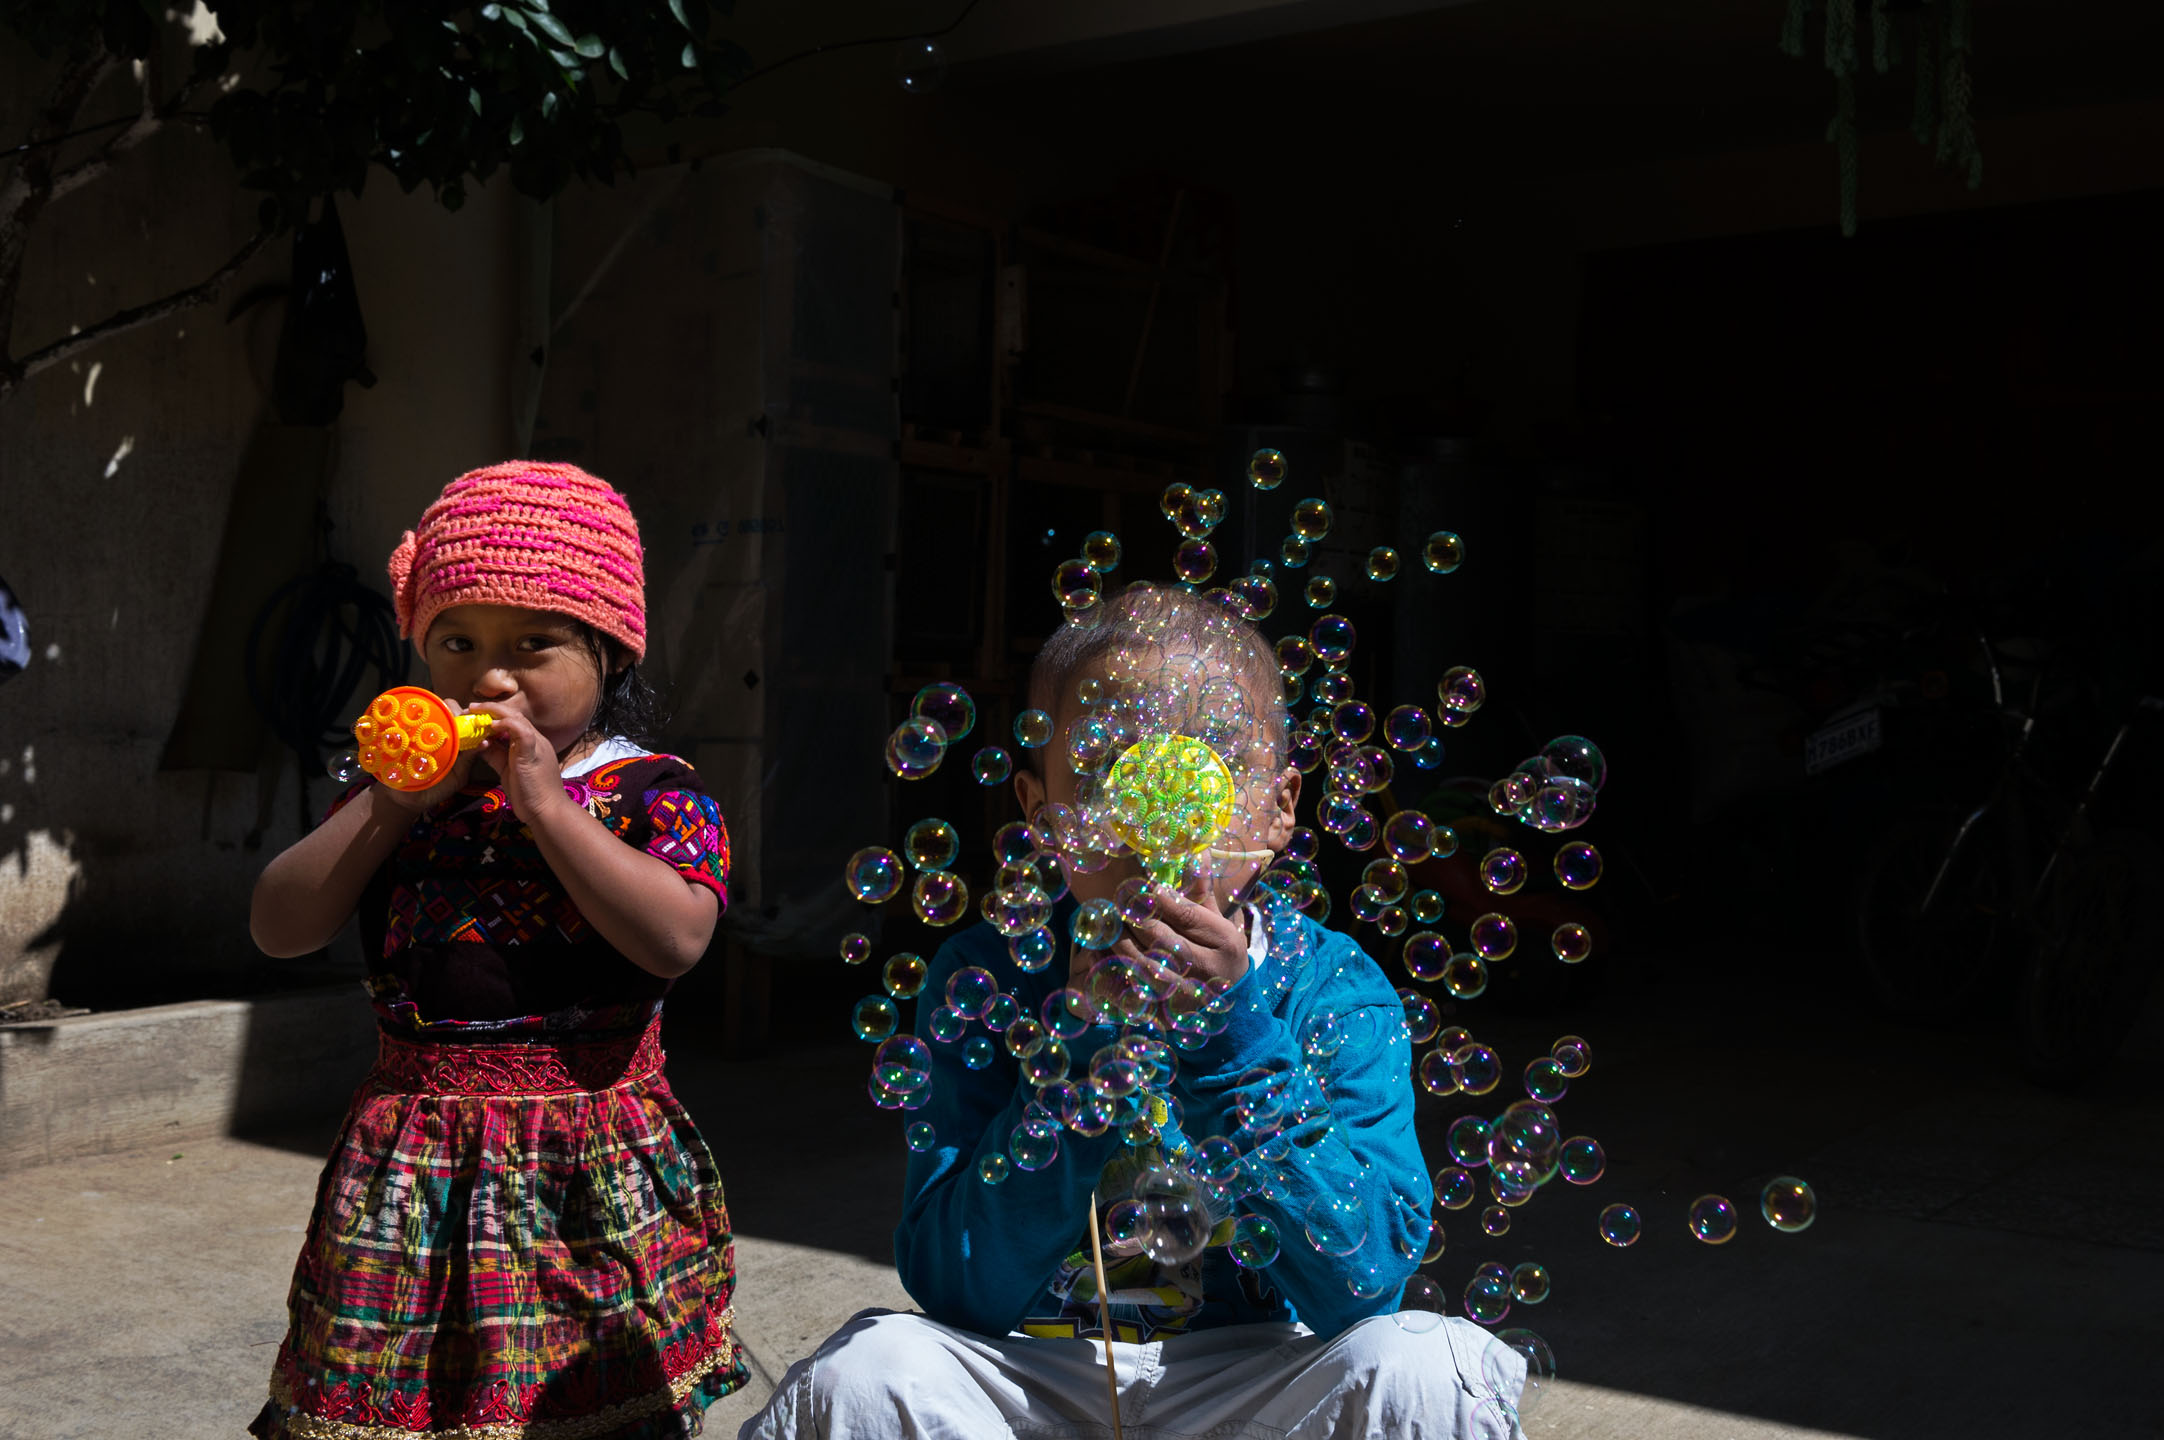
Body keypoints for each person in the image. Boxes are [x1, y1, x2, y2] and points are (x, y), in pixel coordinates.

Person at [743, 583, 1526, 1439]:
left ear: (1278, 808)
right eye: (1113, 760)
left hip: (1258, 1377)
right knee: (870, 1373)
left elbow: (1364, 1279)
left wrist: (1230, 1033)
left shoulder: (1333, 989)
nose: (1160, 804)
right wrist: (1080, 1054)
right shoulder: (987, 975)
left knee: (1426, 1369)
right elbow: (953, 1281)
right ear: (1042, 815)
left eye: (1211, 758)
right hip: (1037, 1376)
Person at [247, 462, 746, 1440]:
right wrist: (389, 805)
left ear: (608, 654)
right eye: (457, 641)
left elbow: (677, 938)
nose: (490, 675)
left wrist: (547, 810)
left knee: (578, 1404)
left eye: (534, 645)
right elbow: (279, 925)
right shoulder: (392, 798)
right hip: (413, 1164)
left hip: (583, 1165)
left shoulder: (649, 795)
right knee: (402, 1397)